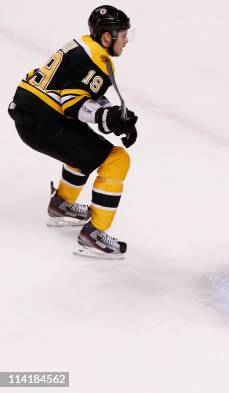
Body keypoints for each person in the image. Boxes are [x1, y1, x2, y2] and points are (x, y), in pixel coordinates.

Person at [7, 5, 137, 259]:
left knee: (83, 149)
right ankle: (94, 235)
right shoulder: (97, 59)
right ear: (107, 36)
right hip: (43, 122)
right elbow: (73, 103)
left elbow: (79, 94)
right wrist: (107, 118)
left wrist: (113, 115)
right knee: (116, 160)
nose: (126, 41)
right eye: (122, 35)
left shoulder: (83, 45)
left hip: (33, 114)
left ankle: (61, 205)